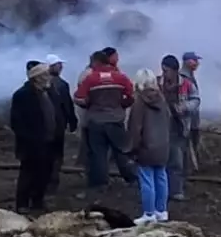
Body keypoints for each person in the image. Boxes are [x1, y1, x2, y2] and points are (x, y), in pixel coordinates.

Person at [74, 50, 136, 189]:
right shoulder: (120, 77)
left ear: (97, 62)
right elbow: (131, 96)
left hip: (96, 121)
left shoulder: (91, 78)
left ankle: (100, 183)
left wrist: (89, 105)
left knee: (98, 153)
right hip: (116, 120)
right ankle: (131, 178)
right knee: (121, 151)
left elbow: (78, 98)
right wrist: (122, 105)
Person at [10, 62, 62, 213]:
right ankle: (22, 204)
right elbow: (17, 121)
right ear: (37, 78)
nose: (49, 77)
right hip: (31, 144)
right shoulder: (22, 95)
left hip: (50, 141)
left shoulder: (50, 92)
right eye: (46, 75)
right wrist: (29, 138)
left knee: (45, 173)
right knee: (28, 173)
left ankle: (38, 201)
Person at [126, 69, 171, 225]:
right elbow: (168, 121)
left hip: (146, 147)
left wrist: (133, 149)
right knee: (161, 177)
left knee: (147, 180)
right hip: (162, 146)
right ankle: (162, 211)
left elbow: (135, 128)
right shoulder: (162, 99)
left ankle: (149, 213)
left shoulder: (139, 103)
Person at [159, 55, 193, 201]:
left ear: (175, 70)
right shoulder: (156, 83)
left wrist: (185, 107)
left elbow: (196, 99)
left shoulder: (186, 84)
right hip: (159, 128)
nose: (164, 73)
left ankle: (176, 190)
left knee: (177, 160)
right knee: (160, 161)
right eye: (163, 70)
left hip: (178, 127)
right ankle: (161, 190)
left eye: (167, 70)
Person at [44, 54, 78, 191]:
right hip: (57, 125)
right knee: (56, 153)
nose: (61, 67)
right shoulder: (61, 85)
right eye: (58, 64)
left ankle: (46, 179)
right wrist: (72, 121)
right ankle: (52, 179)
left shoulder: (41, 83)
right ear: (51, 66)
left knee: (47, 153)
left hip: (45, 126)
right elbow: (67, 105)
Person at [179, 52, 202, 172]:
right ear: (188, 61)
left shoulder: (190, 76)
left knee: (193, 142)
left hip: (193, 117)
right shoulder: (182, 78)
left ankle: (193, 166)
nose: (197, 63)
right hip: (187, 117)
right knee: (185, 143)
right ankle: (187, 167)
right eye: (195, 60)